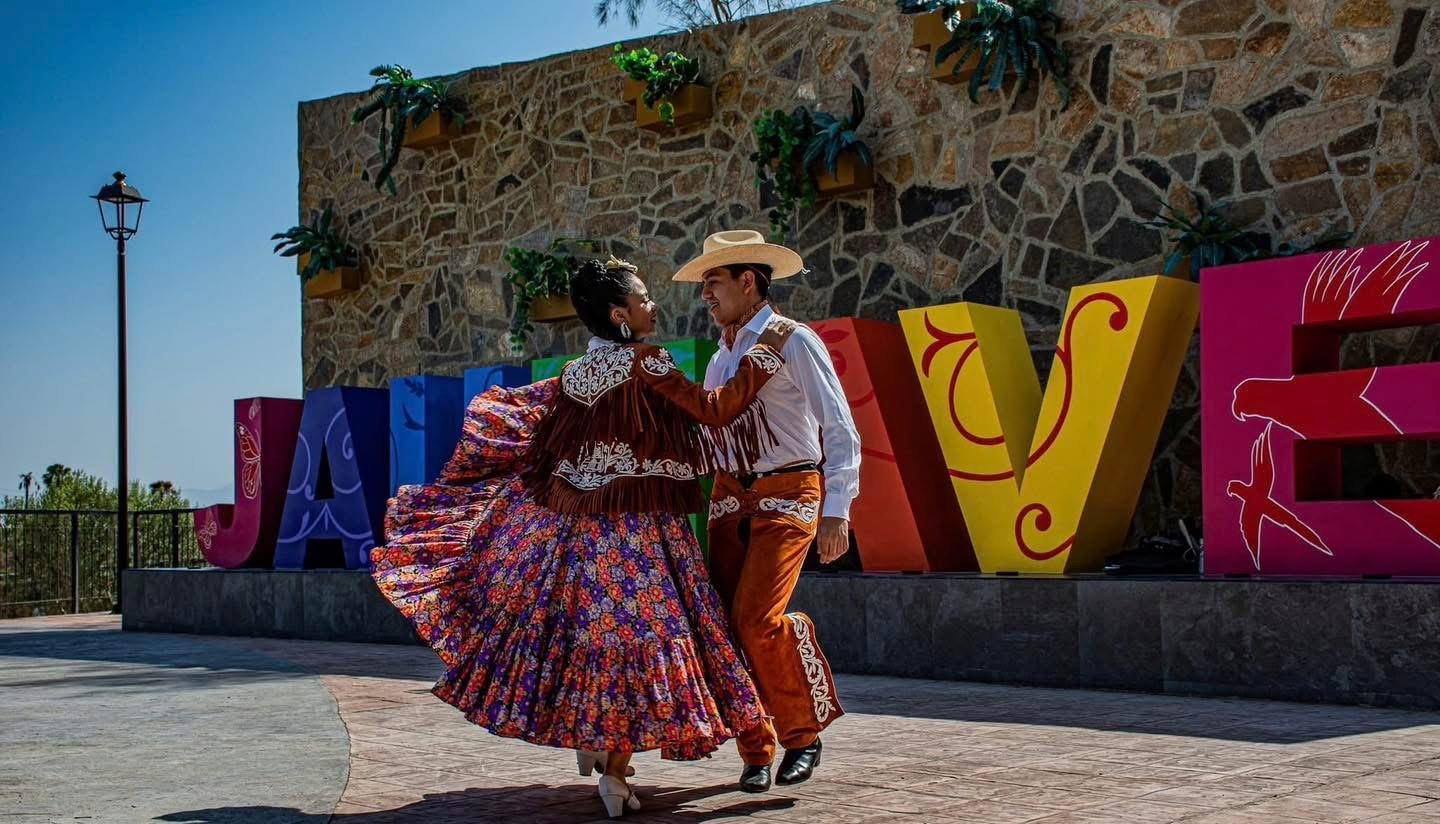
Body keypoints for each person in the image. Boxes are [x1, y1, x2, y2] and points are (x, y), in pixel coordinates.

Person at [371, 257, 798, 818]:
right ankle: (649, 762)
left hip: (589, 542)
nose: (654, 306)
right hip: (647, 537)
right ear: (620, 314)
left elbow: (545, 450)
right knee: (664, 634)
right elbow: (709, 414)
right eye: (644, 298)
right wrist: (765, 359)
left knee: (607, 641)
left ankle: (612, 762)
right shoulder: (650, 362)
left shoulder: (577, 376)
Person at [673, 229, 862, 793]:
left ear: (747, 281)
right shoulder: (721, 358)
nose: (705, 294)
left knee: (756, 618)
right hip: (730, 499)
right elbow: (710, 433)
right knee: (726, 626)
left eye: (713, 281)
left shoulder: (793, 340)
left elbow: (838, 425)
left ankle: (802, 736)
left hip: (789, 492)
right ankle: (755, 750)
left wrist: (838, 508)